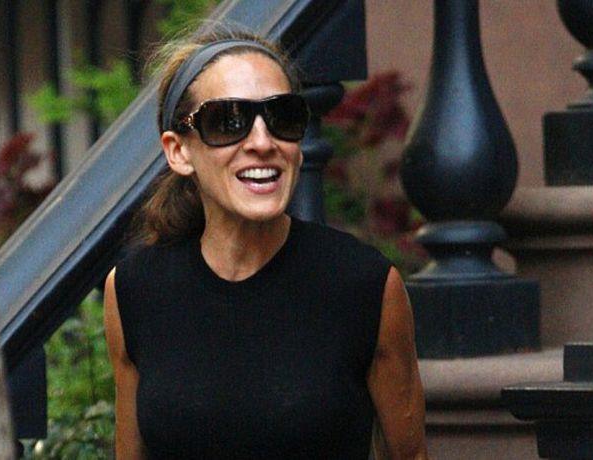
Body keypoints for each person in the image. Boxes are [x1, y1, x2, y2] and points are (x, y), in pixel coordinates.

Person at [103, 28, 428, 460]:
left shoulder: (364, 285)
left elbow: (410, 455)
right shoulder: (135, 289)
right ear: (178, 151)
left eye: (283, 117)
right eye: (227, 121)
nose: (262, 142)